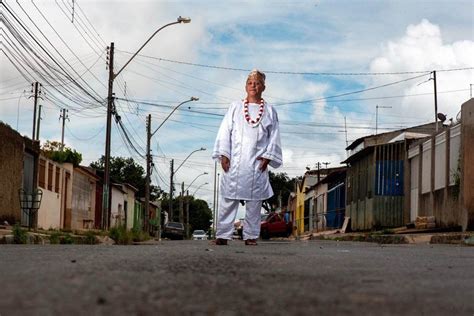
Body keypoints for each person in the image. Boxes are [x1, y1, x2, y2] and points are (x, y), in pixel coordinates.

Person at [212, 69, 282, 246]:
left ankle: (251, 236)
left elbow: (274, 136)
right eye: (250, 83)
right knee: (228, 199)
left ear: (263, 87)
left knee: (254, 203)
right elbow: (224, 131)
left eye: (257, 83)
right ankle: (222, 235)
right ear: (245, 86)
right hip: (234, 162)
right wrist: (224, 155)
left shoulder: (270, 110)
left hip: (257, 162)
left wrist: (268, 157)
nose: (253, 86)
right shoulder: (235, 107)